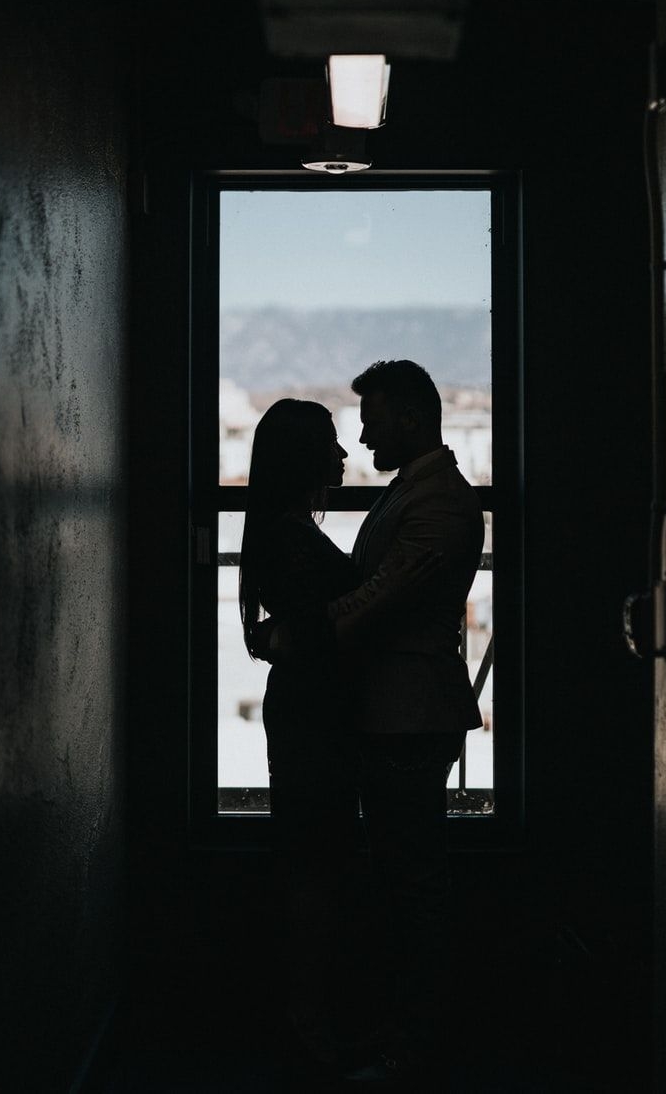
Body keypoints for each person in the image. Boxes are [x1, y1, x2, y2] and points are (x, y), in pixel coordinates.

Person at [327, 359, 485, 1084]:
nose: (362, 436)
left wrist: (303, 632)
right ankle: (409, 1035)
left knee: (411, 886)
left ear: (414, 420)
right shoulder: (421, 494)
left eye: (374, 420)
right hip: (400, 706)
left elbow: (384, 594)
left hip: (409, 711)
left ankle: (418, 1044)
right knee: (402, 880)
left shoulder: (440, 502)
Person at [238, 397, 363, 1072]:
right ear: (304, 460)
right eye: (332, 446)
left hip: (304, 711)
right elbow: (323, 633)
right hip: (315, 717)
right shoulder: (293, 540)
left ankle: (305, 1016)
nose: (344, 457)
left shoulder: (278, 534)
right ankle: (308, 1020)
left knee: (311, 860)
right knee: (316, 866)